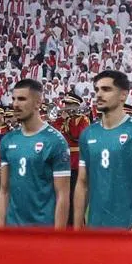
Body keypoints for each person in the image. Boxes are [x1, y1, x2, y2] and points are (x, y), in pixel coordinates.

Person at [73, 70, 132, 231]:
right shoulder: (88, 134)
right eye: (97, 89)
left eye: (106, 89)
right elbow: (82, 183)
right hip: (95, 227)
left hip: (129, 227)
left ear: (123, 95)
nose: (99, 94)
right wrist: (77, 226)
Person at [0, 79, 71, 228]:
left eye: (22, 99)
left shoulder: (55, 141)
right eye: (14, 99)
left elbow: (62, 195)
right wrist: (1, 230)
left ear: (38, 103)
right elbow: (4, 190)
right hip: (13, 229)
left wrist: (58, 237)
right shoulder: (7, 140)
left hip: (43, 231)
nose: (15, 104)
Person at [52, 92, 91, 228]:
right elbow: (55, 134)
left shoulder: (83, 119)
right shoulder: (62, 120)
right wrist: (60, 120)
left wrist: (65, 120)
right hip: (63, 164)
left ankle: (78, 225)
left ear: (76, 105)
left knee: (76, 198)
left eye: (69, 105)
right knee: (63, 198)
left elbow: (78, 136)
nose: (66, 107)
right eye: (65, 104)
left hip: (76, 162)